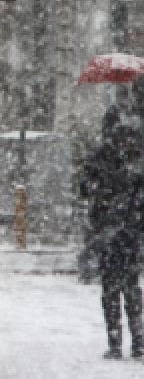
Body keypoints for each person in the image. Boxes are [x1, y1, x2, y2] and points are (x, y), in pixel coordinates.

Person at [81, 81, 144, 359]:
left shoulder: (99, 155)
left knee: (110, 288)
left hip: (107, 229)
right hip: (129, 229)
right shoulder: (136, 155)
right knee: (131, 286)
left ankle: (116, 343)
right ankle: (139, 341)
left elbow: (84, 188)